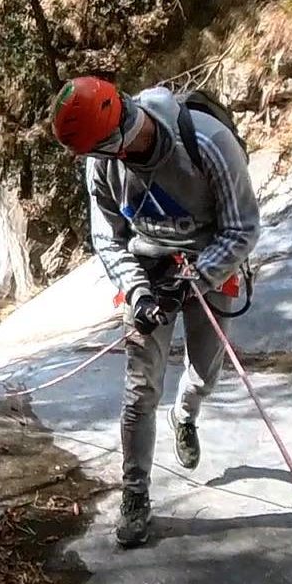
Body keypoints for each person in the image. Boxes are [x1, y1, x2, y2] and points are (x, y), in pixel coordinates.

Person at [50, 76, 260, 546]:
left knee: (204, 372)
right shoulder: (102, 164)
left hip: (209, 262)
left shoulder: (208, 142)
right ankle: (135, 492)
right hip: (147, 267)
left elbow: (242, 228)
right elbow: (108, 239)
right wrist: (139, 293)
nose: (94, 160)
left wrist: (192, 280)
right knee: (140, 391)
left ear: (117, 132)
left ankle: (185, 413)